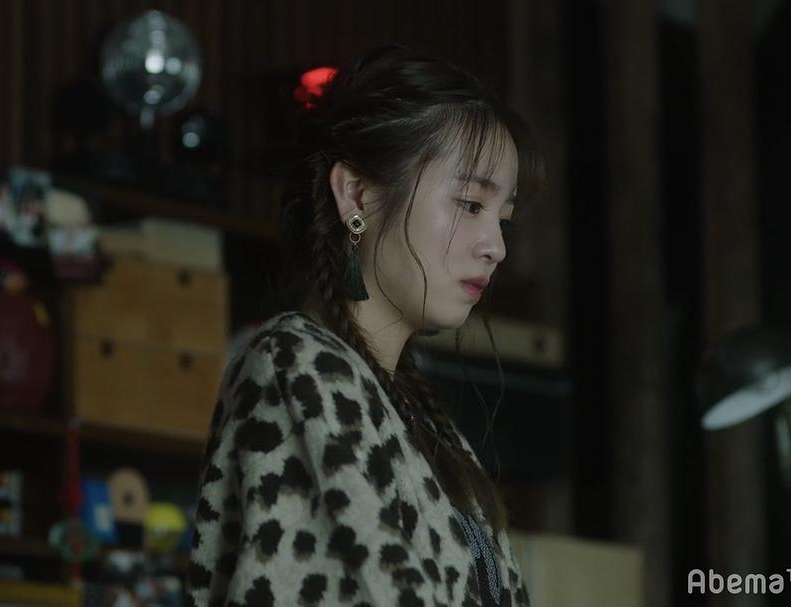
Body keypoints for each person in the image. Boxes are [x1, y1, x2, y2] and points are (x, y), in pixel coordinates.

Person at [187, 44, 545, 606]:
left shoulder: (419, 417)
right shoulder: (298, 365)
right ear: (357, 195)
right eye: (471, 204)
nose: (495, 247)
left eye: (503, 219)